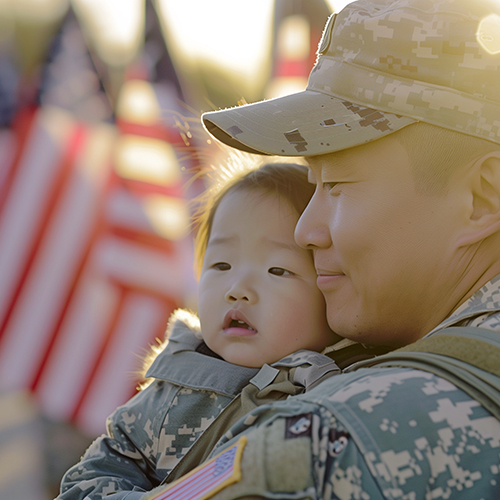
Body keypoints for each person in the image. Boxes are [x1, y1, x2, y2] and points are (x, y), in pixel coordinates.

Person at [143, 0, 500, 499]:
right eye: (311, 186)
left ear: (481, 197)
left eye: (338, 185)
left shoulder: (328, 440)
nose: (306, 231)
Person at [56, 162, 343, 500]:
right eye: (221, 265)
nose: (238, 288)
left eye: (277, 270)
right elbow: (84, 484)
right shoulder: (173, 388)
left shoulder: (339, 389)